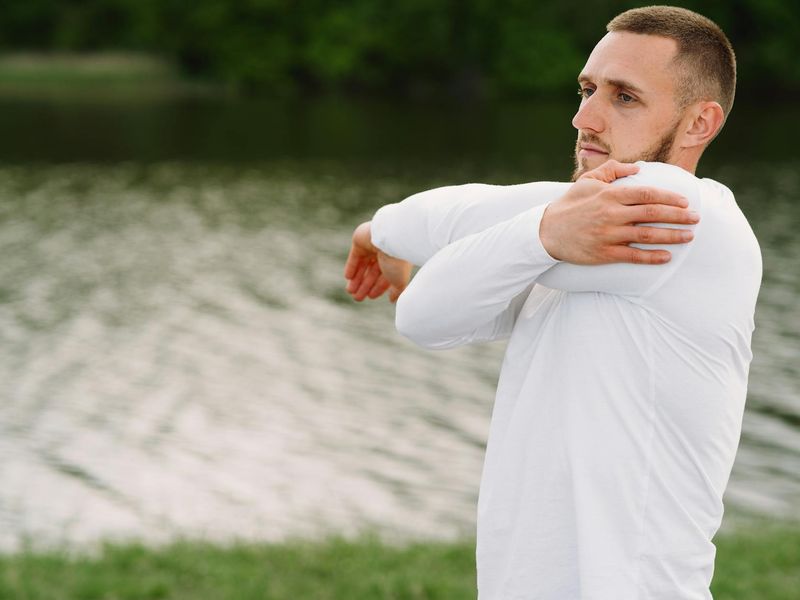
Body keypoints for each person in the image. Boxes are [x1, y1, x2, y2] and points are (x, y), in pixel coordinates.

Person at [343, 6, 761, 599]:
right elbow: (424, 316)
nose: (584, 117)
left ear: (699, 123)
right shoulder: (569, 241)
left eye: (624, 98)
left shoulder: (684, 217)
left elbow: (482, 220)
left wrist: (386, 230)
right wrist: (539, 233)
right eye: (588, 88)